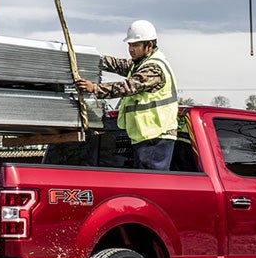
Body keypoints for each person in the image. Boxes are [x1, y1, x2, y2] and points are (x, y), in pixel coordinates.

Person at [75, 19, 179, 170]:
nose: (131, 49)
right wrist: (88, 58)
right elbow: (117, 64)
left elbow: (126, 87)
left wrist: (94, 89)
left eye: (135, 45)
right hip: (145, 136)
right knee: (144, 183)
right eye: (129, 45)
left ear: (149, 45)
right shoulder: (140, 63)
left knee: (151, 184)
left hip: (156, 138)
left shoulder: (153, 68)